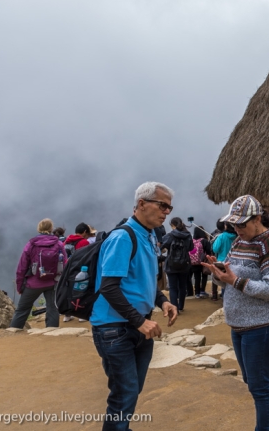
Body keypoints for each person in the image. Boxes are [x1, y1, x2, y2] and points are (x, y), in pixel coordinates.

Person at [90, 182, 177, 431]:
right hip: (114, 328)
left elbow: (144, 281)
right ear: (141, 204)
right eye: (162, 205)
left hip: (137, 327)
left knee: (130, 391)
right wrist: (139, 321)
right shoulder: (123, 237)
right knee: (124, 395)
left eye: (169, 207)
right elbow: (108, 287)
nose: (166, 212)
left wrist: (163, 301)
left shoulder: (148, 236)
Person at [202, 195, 269, 431]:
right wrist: (218, 274)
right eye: (233, 225)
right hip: (239, 326)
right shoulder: (240, 242)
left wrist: (235, 280)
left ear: (258, 218)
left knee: (260, 387)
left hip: (263, 325)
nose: (237, 229)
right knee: (252, 381)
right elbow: (229, 278)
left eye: (241, 224)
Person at [10, 218, 65, 329]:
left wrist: (19, 286)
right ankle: (52, 332)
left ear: (39, 228)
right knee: (52, 307)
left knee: (22, 309)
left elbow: (22, 267)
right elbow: (64, 263)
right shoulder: (59, 244)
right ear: (51, 229)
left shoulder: (31, 244)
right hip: (52, 282)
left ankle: (14, 331)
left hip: (33, 283)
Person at [161, 217, 193, 312]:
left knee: (173, 287)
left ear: (173, 225)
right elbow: (191, 248)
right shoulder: (188, 235)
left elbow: (161, 246)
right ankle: (181, 306)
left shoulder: (169, 235)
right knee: (182, 286)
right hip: (184, 264)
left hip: (171, 264)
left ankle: (174, 308)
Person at [210, 219, 236, 301]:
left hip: (222, 262)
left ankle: (225, 302)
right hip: (234, 262)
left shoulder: (221, 236)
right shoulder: (238, 237)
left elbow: (215, 249)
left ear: (226, 226)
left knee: (224, 283)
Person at [187, 226, 211, 299]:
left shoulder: (191, 241)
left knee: (197, 278)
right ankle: (202, 291)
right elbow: (208, 251)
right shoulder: (204, 241)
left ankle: (197, 293)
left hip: (193, 263)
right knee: (204, 276)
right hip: (203, 262)